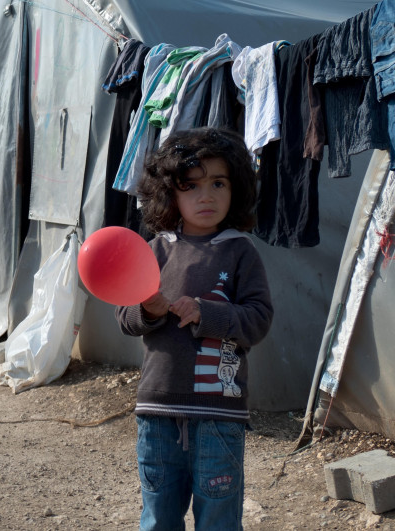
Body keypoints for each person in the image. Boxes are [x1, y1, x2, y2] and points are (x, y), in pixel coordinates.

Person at [114, 128, 274, 531]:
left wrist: (207, 313)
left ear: (236, 188)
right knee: (158, 518)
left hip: (219, 414)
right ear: (171, 193)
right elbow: (124, 317)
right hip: (158, 411)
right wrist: (148, 310)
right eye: (192, 185)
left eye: (218, 183)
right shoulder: (156, 250)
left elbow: (257, 320)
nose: (207, 196)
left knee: (218, 518)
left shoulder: (241, 251)